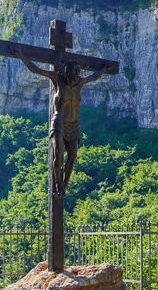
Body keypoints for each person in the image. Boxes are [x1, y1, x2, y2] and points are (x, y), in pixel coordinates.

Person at [14, 45, 108, 197]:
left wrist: (104, 68)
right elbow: (36, 70)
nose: (77, 74)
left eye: (78, 71)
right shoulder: (58, 79)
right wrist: (21, 56)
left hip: (74, 125)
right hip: (59, 123)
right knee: (58, 152)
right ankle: (58, 184)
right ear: (67, 71)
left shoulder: (81, 83)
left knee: (73, 156)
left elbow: (94, 76)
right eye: (74, 71)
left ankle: (64, 184)